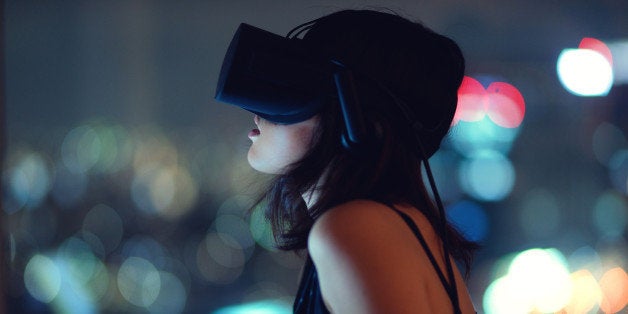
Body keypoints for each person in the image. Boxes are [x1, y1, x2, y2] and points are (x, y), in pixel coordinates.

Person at [216, 9, 478, 313]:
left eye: (298, 84)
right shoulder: (395, 224)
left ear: (356, 114)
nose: (260, 107)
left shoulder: (355, 228)